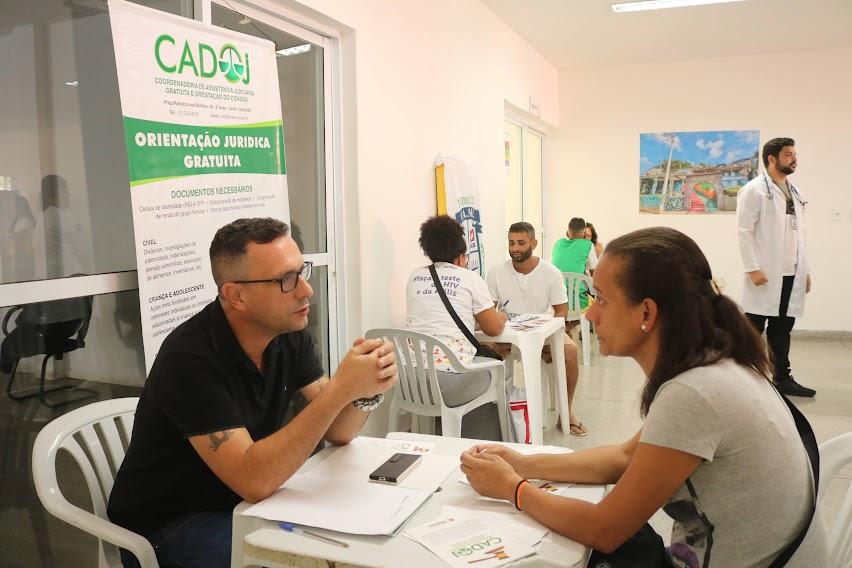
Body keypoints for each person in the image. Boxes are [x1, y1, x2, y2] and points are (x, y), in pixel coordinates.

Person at [461, 227, 827, 567]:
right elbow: (625, 458)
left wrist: (513, 489)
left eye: (600, 300)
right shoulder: (717, 362)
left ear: (647, 313)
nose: (589, 313)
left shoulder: (695, 393)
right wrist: (519, 462)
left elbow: (604, 529)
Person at [107, 218, 397, 568]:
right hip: (169, 525)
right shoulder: (189, 358)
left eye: (301, 272)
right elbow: (254, 480)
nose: (306, 290)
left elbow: (338, 431)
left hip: (245, 501)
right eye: (286, 280)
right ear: (235, 295)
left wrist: (366, 390)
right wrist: (341, 389)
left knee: (357, 536)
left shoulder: (288, 332)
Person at [486, 222, 586, 436]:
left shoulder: (551, 273)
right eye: (511, 242)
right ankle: (495, 415)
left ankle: (566, 414)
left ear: (534, 243)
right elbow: (489, 311)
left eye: (521, 243)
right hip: (507, 336)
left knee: (570, 352)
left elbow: (561, 312)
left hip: (544, 334)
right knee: (479, 348)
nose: (515, 248)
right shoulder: (495, 273)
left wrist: (552, 337)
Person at [737, 137, 815, 397]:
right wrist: (752, 268)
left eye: (795, 154)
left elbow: (799, 235)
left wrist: (805, 271)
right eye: (788, 154)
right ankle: (740, 378)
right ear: (772, 158)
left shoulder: (794, 192)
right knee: (752, 328)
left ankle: (782, 378)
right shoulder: (754, 190)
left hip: (791, 272)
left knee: (782, 329)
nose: (794, 159)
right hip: (765, 272)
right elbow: (744, 232)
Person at [405, 215, 506, 403]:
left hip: (408, 379)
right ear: (460, 257)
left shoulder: (414, 276)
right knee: (500, 367)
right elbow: (493, 329)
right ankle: (484, 431)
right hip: (448, 382)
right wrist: (501, 316)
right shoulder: (470, 278)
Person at [551, 216, 598, 310]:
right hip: (578, 303)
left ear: (567, 233)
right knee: (594, 301)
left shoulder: (558, 243)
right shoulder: (588, 245)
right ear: (584, 233)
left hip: (556, 303)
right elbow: (594, 273)